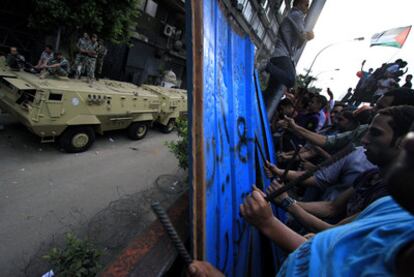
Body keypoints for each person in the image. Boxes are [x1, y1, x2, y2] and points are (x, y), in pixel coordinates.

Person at [187, 110, 414, 277]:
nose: (364, 140)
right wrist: (283, 207)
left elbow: (329, 211)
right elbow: (334, 230)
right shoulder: (388, 203)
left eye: (375, 134)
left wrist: (276, 214)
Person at [261, 0, 314, 93]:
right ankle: (266, 65)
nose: (307, 8)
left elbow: (297, 44)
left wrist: (305, 37)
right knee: (290, 79)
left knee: (271, 92)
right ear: (299, 3)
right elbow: (302, 35)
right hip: (281, 54)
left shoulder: (296, 17)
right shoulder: (297, 15)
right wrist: (308, 36)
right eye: (306, 5)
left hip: (282, 54)